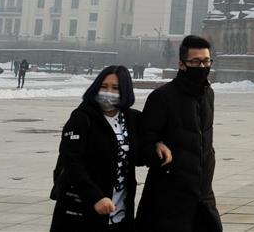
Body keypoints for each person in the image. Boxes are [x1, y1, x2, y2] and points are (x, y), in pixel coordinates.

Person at [137, 35, 222, 232]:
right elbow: (144, 142)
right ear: (182, 64)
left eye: (206, 61)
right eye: (196, 62)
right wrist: (156, 146)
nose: (202, 67)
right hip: (169, 198)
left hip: (202, 195)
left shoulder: (208, 94)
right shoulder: (162, 97)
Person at [50, 65, 149, 231]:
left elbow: (139, 154)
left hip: (120, 213)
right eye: (104, 86)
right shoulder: (82, 117)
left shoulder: (132, 119)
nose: (108, 92)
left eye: (115, 88)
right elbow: (71, 162)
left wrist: (158, 144)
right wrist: (95, 197)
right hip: (81, 211)